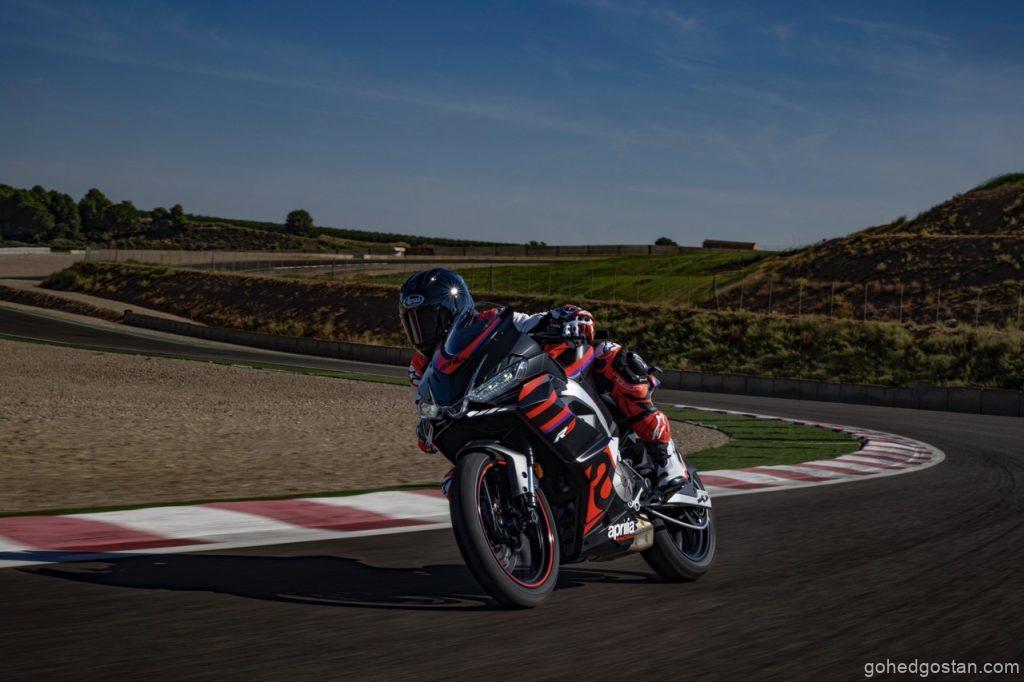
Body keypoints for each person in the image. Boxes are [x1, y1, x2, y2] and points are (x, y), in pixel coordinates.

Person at [398, 267, 689, 494]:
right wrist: (426, 428)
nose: (421, 331)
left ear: (455, 308)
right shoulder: (420, 368)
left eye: (427, 320)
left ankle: (665, 458)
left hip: (518, 390)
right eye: (413, 322)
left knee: (611, 356)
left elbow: (531, 321)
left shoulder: (489, 320)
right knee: (452, 484)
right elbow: (426, 406)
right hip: (477, 420)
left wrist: (569, 317)